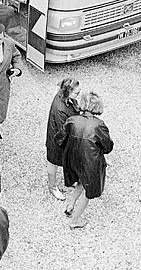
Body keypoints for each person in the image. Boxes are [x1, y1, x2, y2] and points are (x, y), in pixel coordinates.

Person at [54, 91, 114, 229]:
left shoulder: (72, 120)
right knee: (88, 192)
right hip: (90, 162)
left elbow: (59, 139)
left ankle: (70, 205)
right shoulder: (99, 125)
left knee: (80, 182)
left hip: (73, 159)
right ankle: (74, 221)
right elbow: (107, 147)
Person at [44, 78, 80, 201]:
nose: (78, 95)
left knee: (67, 161)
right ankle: (52, 187)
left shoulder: (65, 99)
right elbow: (64, 129)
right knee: (53, 163)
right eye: (76, 93)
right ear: (67, 92)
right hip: (57, 140)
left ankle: (69, 180)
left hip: (63, 138)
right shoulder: (60, 108)